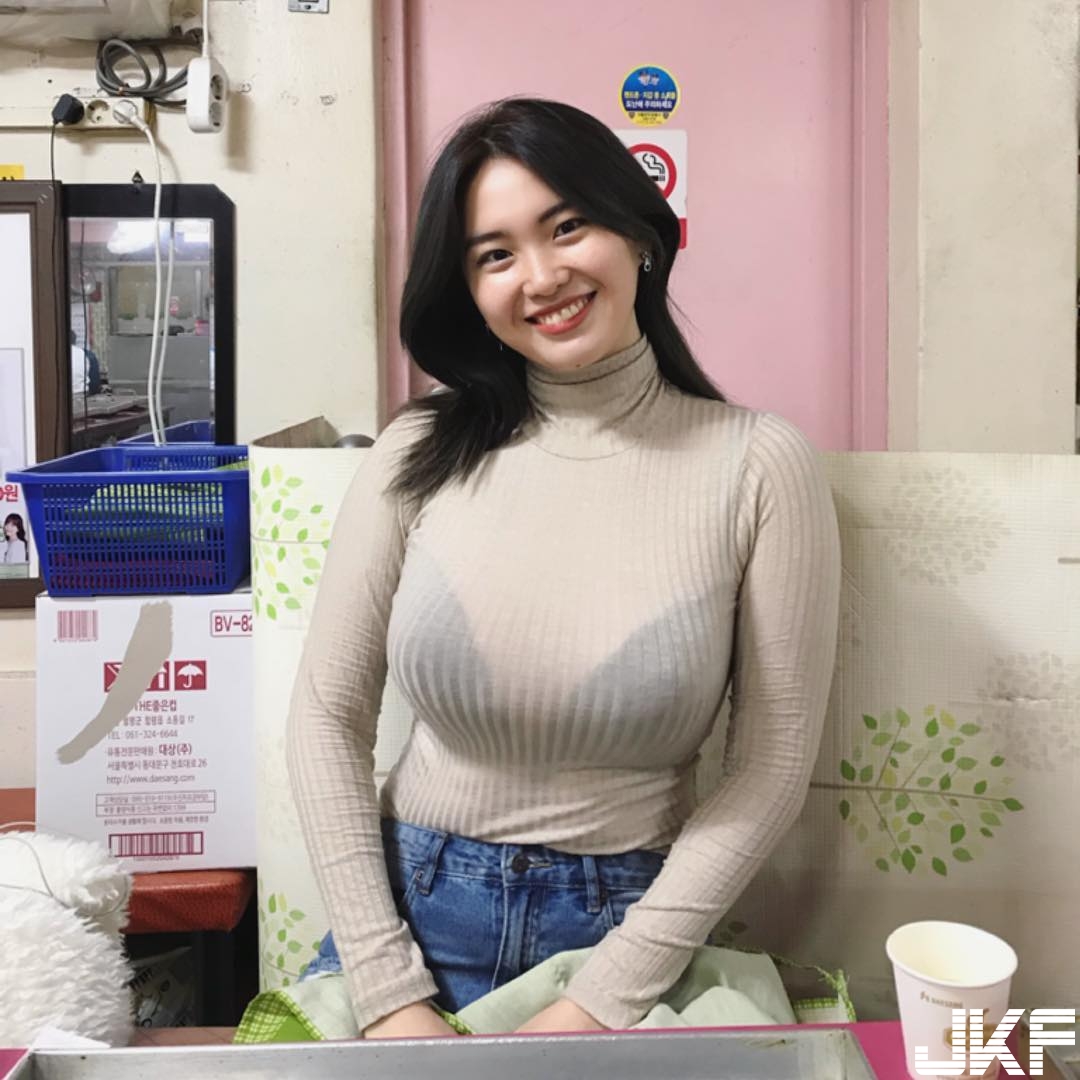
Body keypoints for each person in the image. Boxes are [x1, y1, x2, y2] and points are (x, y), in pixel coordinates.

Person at [287, 97, 841, 1041]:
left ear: (638, 234)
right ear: (467, 288)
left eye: (568, 226)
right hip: (409, 925)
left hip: (629, 937)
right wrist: (386, 995)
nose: (542, 277)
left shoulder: (759, 464)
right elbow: (326, 717)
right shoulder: (417, 449)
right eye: (494, 254)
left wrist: (600, 1003)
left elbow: (771, 767)